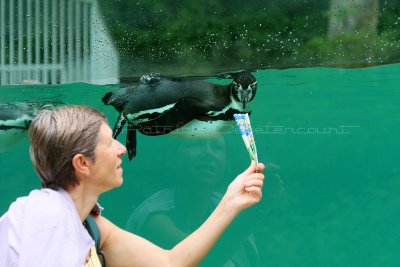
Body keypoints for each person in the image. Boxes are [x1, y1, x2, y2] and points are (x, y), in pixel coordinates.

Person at [0, 105, 265, 266]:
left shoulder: (89, 224)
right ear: (82, 163)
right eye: (109, 143)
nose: (122, 149)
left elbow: (170, 262)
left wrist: (232, 201)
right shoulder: (48, 218)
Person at [126, 136, 261, 266]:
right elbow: (206, 262)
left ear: (226, 163)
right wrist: (259, 209)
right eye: (195, 144)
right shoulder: (153, 217)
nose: (208, 153)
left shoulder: (226, 204)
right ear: (171, 159)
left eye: (217, 147)